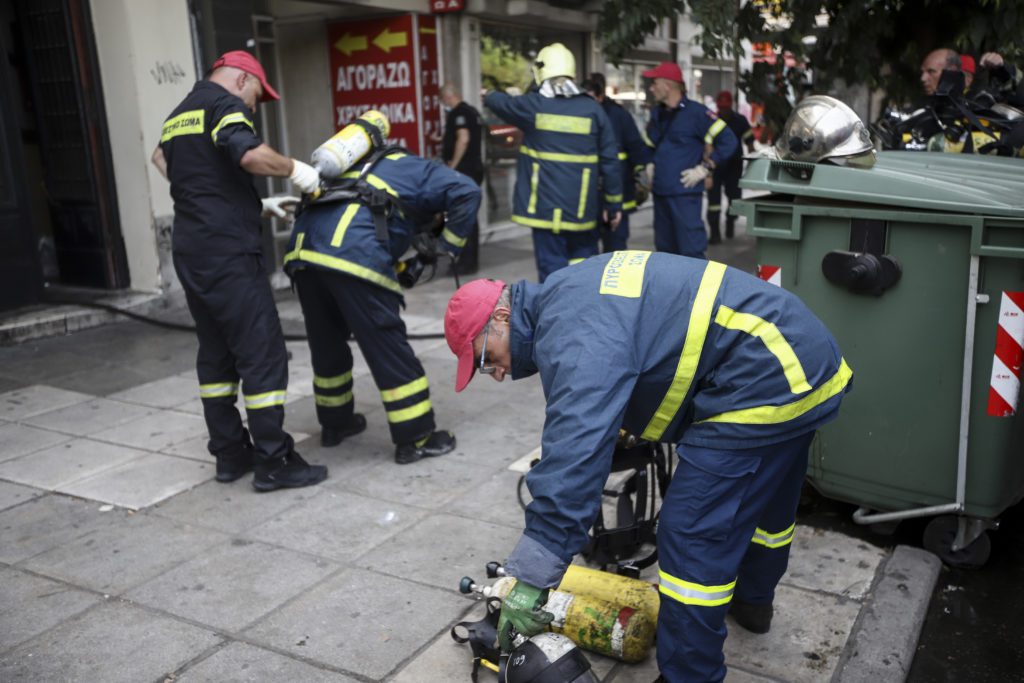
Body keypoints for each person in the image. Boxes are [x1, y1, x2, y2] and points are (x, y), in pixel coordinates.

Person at [443, 252, 853, 681]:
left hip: (762, 378)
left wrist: (531, 578)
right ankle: (753, 603)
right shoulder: (569, 292)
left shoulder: (572, 334)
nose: (495, 374)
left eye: (486, 358)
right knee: (766, 507)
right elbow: (646, 336)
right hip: (801, 359)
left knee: (691, 536)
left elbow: (573, 459)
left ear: (503, 316)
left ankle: (689, 675)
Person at [152, 50, 326, 492]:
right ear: (243, 79)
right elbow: (248, 155)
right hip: (229, 254)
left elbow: (160, 159)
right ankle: (273, 461)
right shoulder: (223, 105)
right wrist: (295, 170)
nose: (253, 106)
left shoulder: (179, 113)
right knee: (260, 352)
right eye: (256, 96)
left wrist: (244, 203)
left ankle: (230, 455)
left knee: (216, 352)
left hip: (192, 250)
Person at [284, 122, 481, 464]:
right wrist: (444, 247)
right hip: (351, 256)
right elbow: (468, 192)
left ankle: (336, 424)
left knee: (326, 343)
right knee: (387, 345)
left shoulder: (347, 169)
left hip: (302, 254)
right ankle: (416, 437)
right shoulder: (415, 167)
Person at [484, 43, 622, 282]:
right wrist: (614, 205)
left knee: (552, 272)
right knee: (585, 267)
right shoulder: (593, 110)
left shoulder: (533, 106)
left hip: (544, 210)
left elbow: (496, 100)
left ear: (541, 71)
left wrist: (500, 92)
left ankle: (557, 315)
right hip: (582, 209)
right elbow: (611, 161)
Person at [643, 62, 738, 258]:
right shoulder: (657, 114)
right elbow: (650, 145)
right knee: (664, 255)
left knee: (691, 252)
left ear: (667, 85)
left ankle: (695, 290)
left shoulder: (697, 114)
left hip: (684, 196)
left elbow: (729, 141)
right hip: (661, 194)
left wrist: (706, 167)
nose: (651, 88)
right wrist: (650, 163)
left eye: (655, 83)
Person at [581, 72, 652, 252]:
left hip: (618, 193)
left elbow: (636, 148)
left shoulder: (618, 116)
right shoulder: (580, 114)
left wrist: (641, 177)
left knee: (616, 250)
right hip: (588, 197)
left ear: (601, 95)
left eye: (592, 98)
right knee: (587, 251)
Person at [441, 83, 484, 274]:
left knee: (465, 216)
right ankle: (468, 260)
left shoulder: (459, 113)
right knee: (469, 215)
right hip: (473, 168)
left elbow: (463, 138)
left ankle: (467, 262)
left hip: (465, 171)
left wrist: (453, 166)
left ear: (449, 97)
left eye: (443, 100)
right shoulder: (472, 111)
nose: (444, 104)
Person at [706, 91, 755, 244]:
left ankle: (730, 221)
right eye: (722, 108)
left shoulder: (740, 121)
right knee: (713, 201)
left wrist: (754, 165)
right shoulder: (711, 120)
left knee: (734, 198)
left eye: (726, 108)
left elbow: (750, 143)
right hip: (715, 166)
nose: (724, 111)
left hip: (734, 166)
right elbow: (706, 143)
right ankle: (714, 232)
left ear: (731, 105)